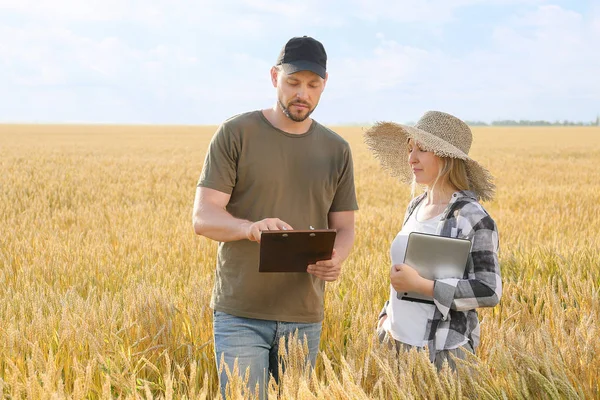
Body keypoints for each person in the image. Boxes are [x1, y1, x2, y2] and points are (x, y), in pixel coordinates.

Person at [192, 36, 358, 399]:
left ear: (324, 85)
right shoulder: (236, 133)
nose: (303, 93)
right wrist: (249, 228)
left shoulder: (337, 150)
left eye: (313, 85)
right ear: (274, 77)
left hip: (304, 314)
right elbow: (203, 217)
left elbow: (344, 227)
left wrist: (336, 259)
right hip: (240, 313)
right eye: (293, 82)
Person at [364, 111, 502, 370]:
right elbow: (404, 271)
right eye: (410, 148)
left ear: (448, 158)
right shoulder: (415, 206)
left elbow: (490, 290)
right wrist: (386, 318)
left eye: (422, 150)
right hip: (395, 347)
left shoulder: (473, 216)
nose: (411, 158)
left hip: (442, 353)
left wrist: (424, 286)